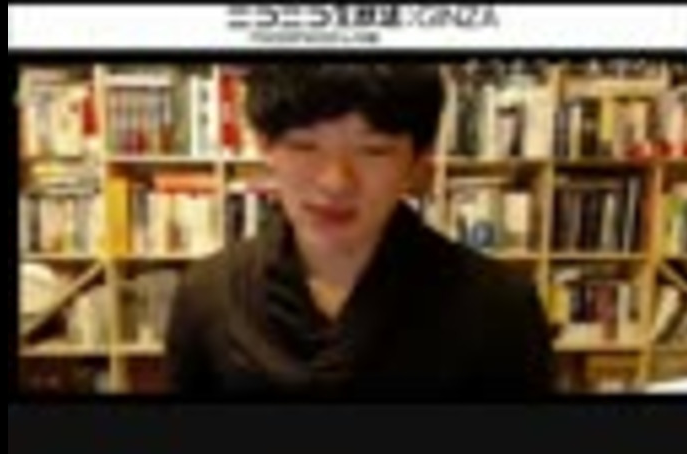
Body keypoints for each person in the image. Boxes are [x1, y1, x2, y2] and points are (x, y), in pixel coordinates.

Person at [165, 63, 556, 400]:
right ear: (265, 147)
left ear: (417, 160)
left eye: (374, 150)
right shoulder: (207, 293)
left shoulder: (500, 306)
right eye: (304, 146)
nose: (336, 182)